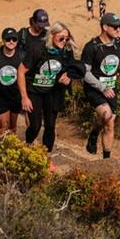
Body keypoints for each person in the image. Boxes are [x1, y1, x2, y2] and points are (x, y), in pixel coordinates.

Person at [82, 13, 120, 159]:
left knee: (109, 124)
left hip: (112, 88)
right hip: (95, 88)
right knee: (107, 115)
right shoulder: (91, 47)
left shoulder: (119, 43)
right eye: (115, 27)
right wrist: (101, 87)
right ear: (104, 27)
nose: (118, 30)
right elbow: (85, 72)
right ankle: (94, 134)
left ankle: (106, 159)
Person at [19, 22, 76, 152]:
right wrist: (24, 97)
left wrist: (69, 76)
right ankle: (27, 146)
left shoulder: (66, 51)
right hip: (35, 91)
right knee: (35, 125)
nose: (64, 41)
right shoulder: (37, 49)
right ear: (52, 35)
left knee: (50, 125)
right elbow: (21, 71)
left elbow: (73, 67)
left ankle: (46, 155)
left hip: (53, 92)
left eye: (66, 38)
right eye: (61, 38)